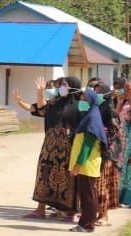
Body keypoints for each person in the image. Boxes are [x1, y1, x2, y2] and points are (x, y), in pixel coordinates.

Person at [15, 76, 82, 220]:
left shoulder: (80, 105)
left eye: (65, 85)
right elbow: (41, 108)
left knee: (68, 178)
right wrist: (40, 92)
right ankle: (40, 210)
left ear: (73, 87)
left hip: (69, 147)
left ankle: (70, 212)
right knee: (44, 175)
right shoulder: (54, 103)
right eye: (60, 85)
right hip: (49, 147)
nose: (61, 88)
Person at [69, 86, 107, 232]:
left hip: (87, 163)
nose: (81, 100)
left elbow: (88, 144)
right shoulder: (89, 116)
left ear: (91, 100)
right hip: (85, 164)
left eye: (84, 98)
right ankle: (84, 223)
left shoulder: (92, 118)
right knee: (86, 194)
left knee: (88, 195)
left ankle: (87, 225)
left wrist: (79, 163)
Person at [94, 80, 123, 226]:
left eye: (99, 92)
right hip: (96, 152)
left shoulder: (110, 112)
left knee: (102, 184)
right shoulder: (96, 109)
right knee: (96, 185)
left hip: (107, 154)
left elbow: (115, 134)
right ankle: (99, 213)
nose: (96, 95)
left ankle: (104, 215)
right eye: (95, 92)